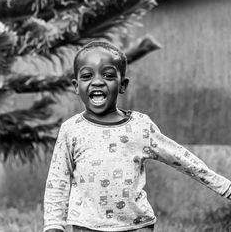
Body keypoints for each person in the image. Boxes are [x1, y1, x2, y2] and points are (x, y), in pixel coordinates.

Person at [43, 41, 231, 232]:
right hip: (87, 227)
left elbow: (180, 158)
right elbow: (57, 181)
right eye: (87, 76)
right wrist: (53, 226)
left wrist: (225, 187)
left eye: (108, 75)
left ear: (122, 84)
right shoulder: (71, 130)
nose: (98, 81)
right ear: (76, 86)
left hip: (136, 226)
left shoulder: (139, 126)